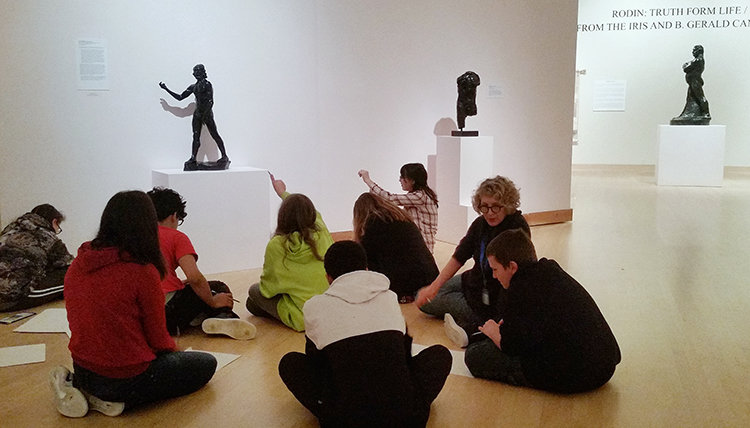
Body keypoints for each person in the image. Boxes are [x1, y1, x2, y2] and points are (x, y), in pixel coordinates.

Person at [50, 191, 217, 418]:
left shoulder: (79, 262)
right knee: (206, 363)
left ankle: (85, 389)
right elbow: (158, 339)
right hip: (126, 379)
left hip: (83, 369)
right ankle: (116, 400)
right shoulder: (142, 270)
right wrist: (173, 351)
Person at [278, 240, 452, 427]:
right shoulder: (389, 297)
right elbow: (404, 356)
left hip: (342, 421)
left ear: (328, 277)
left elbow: (317, 364)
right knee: (440, 355)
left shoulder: (314, 306)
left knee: (290, 363)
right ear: (366, 269)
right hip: (408, 417)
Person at [465, 229, 621, 393]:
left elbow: (510, 346)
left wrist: (493, 332)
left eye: (495, 269)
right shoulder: (549, 270)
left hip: (578, 375)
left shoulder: (518, 291)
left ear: (512, 266)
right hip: (606, 365)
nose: (494, 276)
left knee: (475, 355)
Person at [415, 176, 530, 348]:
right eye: (484, 207)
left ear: (507, 205)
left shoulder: (517, 228)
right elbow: (460, 256)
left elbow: (516, 277)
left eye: (495, 207)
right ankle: (472, 318)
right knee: (424, 299)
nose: (489, 212)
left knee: (473, 309)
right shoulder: (480, 224)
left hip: (496, 294)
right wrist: (434, 286)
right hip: (474, 280)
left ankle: (476, 320)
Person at [147, 187, 255, 340]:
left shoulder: (136, 237)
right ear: (174, 216)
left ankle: (201, 319)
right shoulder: (177, 237)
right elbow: (194, 277)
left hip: (146, 315)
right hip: (168, 312)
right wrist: (212, 300)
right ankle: (224, 317)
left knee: (195, 291)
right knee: (217, 288)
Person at [245, 173, 334, 332]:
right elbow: (313, 213)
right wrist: (283, 193)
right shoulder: (322, 232)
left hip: (303, 318)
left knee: (254, 293)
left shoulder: (277, 245)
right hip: (329, 310)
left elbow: (267, 288)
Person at [352, 193, 438, 303]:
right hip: (430, 276)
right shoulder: (402, 218)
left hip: (404, 284)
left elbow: (367, 261)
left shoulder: (371, 225)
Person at [0, 204, 73, 312]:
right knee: (70, 275)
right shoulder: (46, 235)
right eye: (58, 227)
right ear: (54, 222)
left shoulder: (9, 230)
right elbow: (71, 265)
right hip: (10, 298)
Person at [358, 163, 438, 253]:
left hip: (421, 246)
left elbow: (389, 198)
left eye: (403, 177)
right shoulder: (421, 195)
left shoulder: (420, 196)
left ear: (412, 180)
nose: (400, 180)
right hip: (418, 245)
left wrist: (368, 180)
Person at [159, 64, 229, 166]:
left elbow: (210, 101)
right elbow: (180, 97)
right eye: (195, 72)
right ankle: (193, 158)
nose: (196, 74)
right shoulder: (194, 87)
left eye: (198, 72)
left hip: (207, 113)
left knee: (214, 134)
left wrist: (205, 114)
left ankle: (224, 156)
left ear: (202, 72)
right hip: (198, 114)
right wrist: (166, 89)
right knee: (196, 136)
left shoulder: (207, 84)